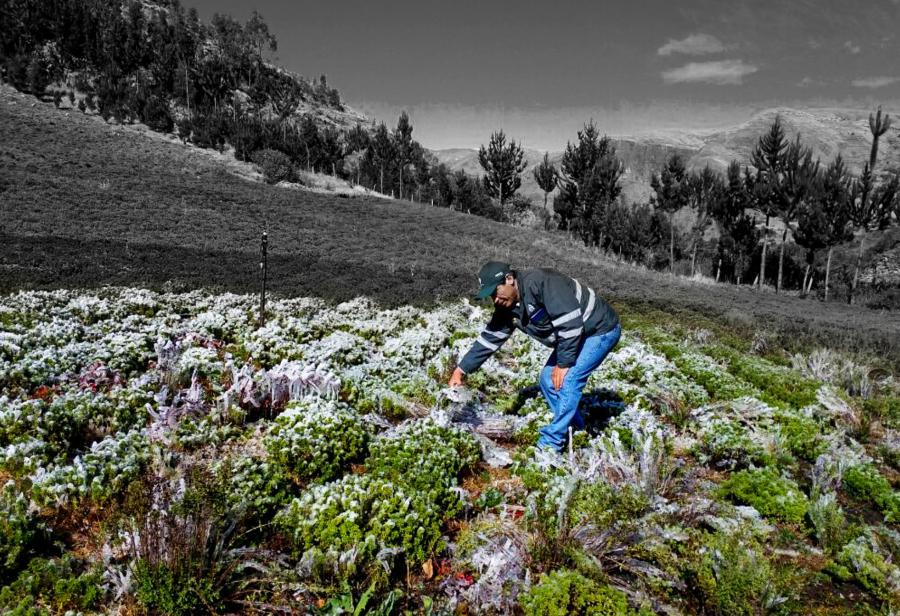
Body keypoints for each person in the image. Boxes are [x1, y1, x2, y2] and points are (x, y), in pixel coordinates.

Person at [448, 261, 621, 453]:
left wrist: (563, 364)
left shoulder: (543, 282)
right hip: (575, 335)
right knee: (547, 380)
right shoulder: (508, 306)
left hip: (599, 330)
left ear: (509, 279)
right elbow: (491, 338)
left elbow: (570, 324)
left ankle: (550, 445)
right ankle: (576, 430)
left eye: (496, 292)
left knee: (569, 380)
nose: (495, 300)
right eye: (490, 296)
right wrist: (461, 370)